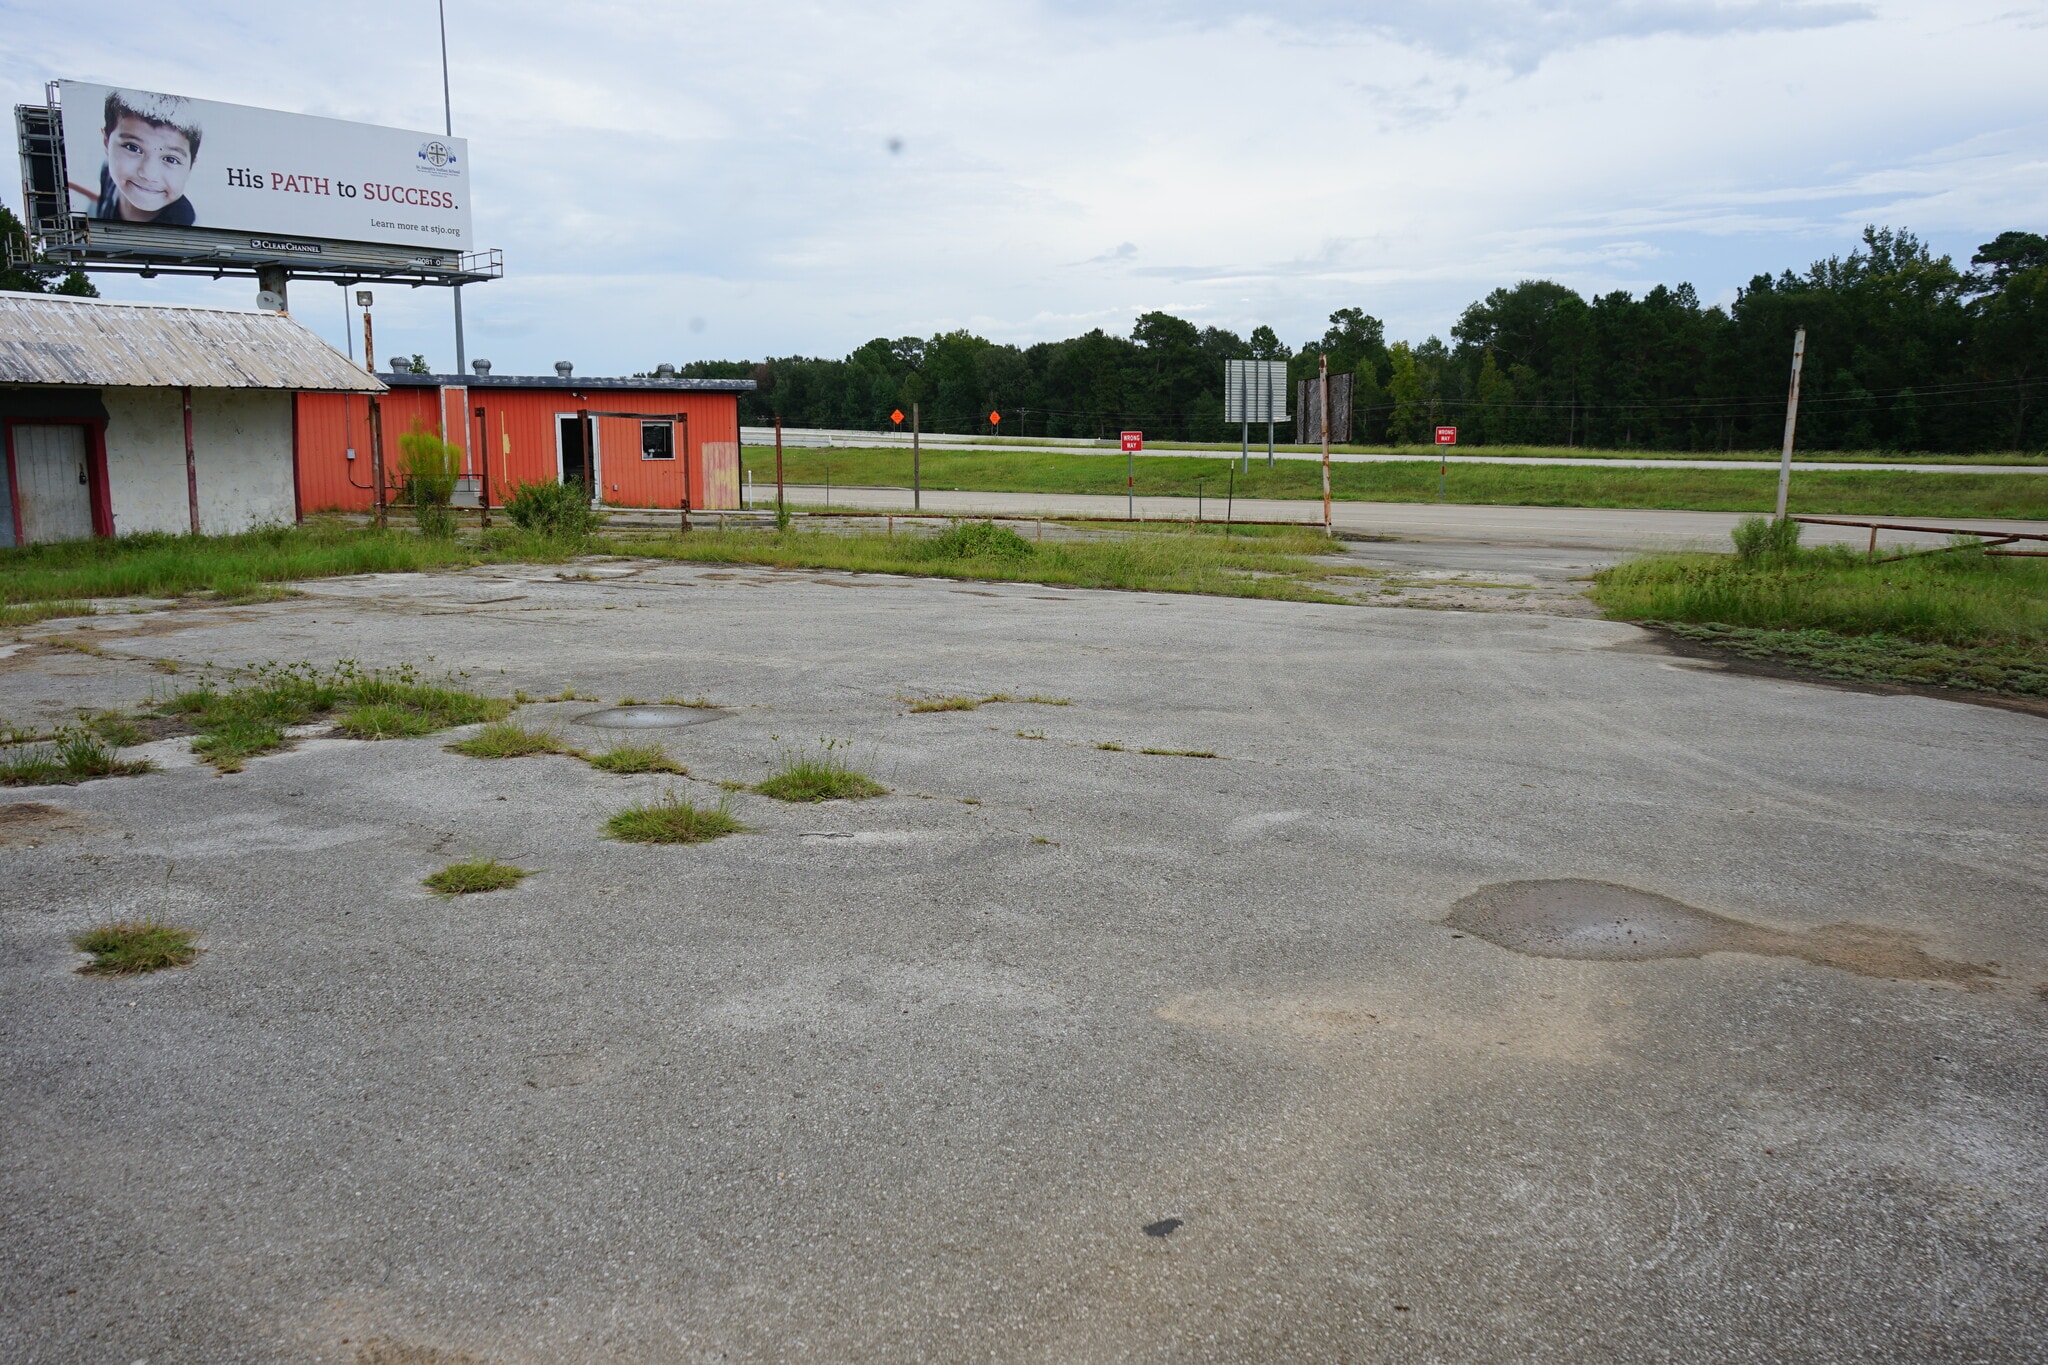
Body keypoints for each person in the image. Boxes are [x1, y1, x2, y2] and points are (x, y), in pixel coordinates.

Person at [87, 89, 201, 226]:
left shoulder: (188, 226)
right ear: (106, 142)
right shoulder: (108, 172)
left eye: (171, 159)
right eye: (132, 148)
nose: (149, 174)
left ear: (191, 166)